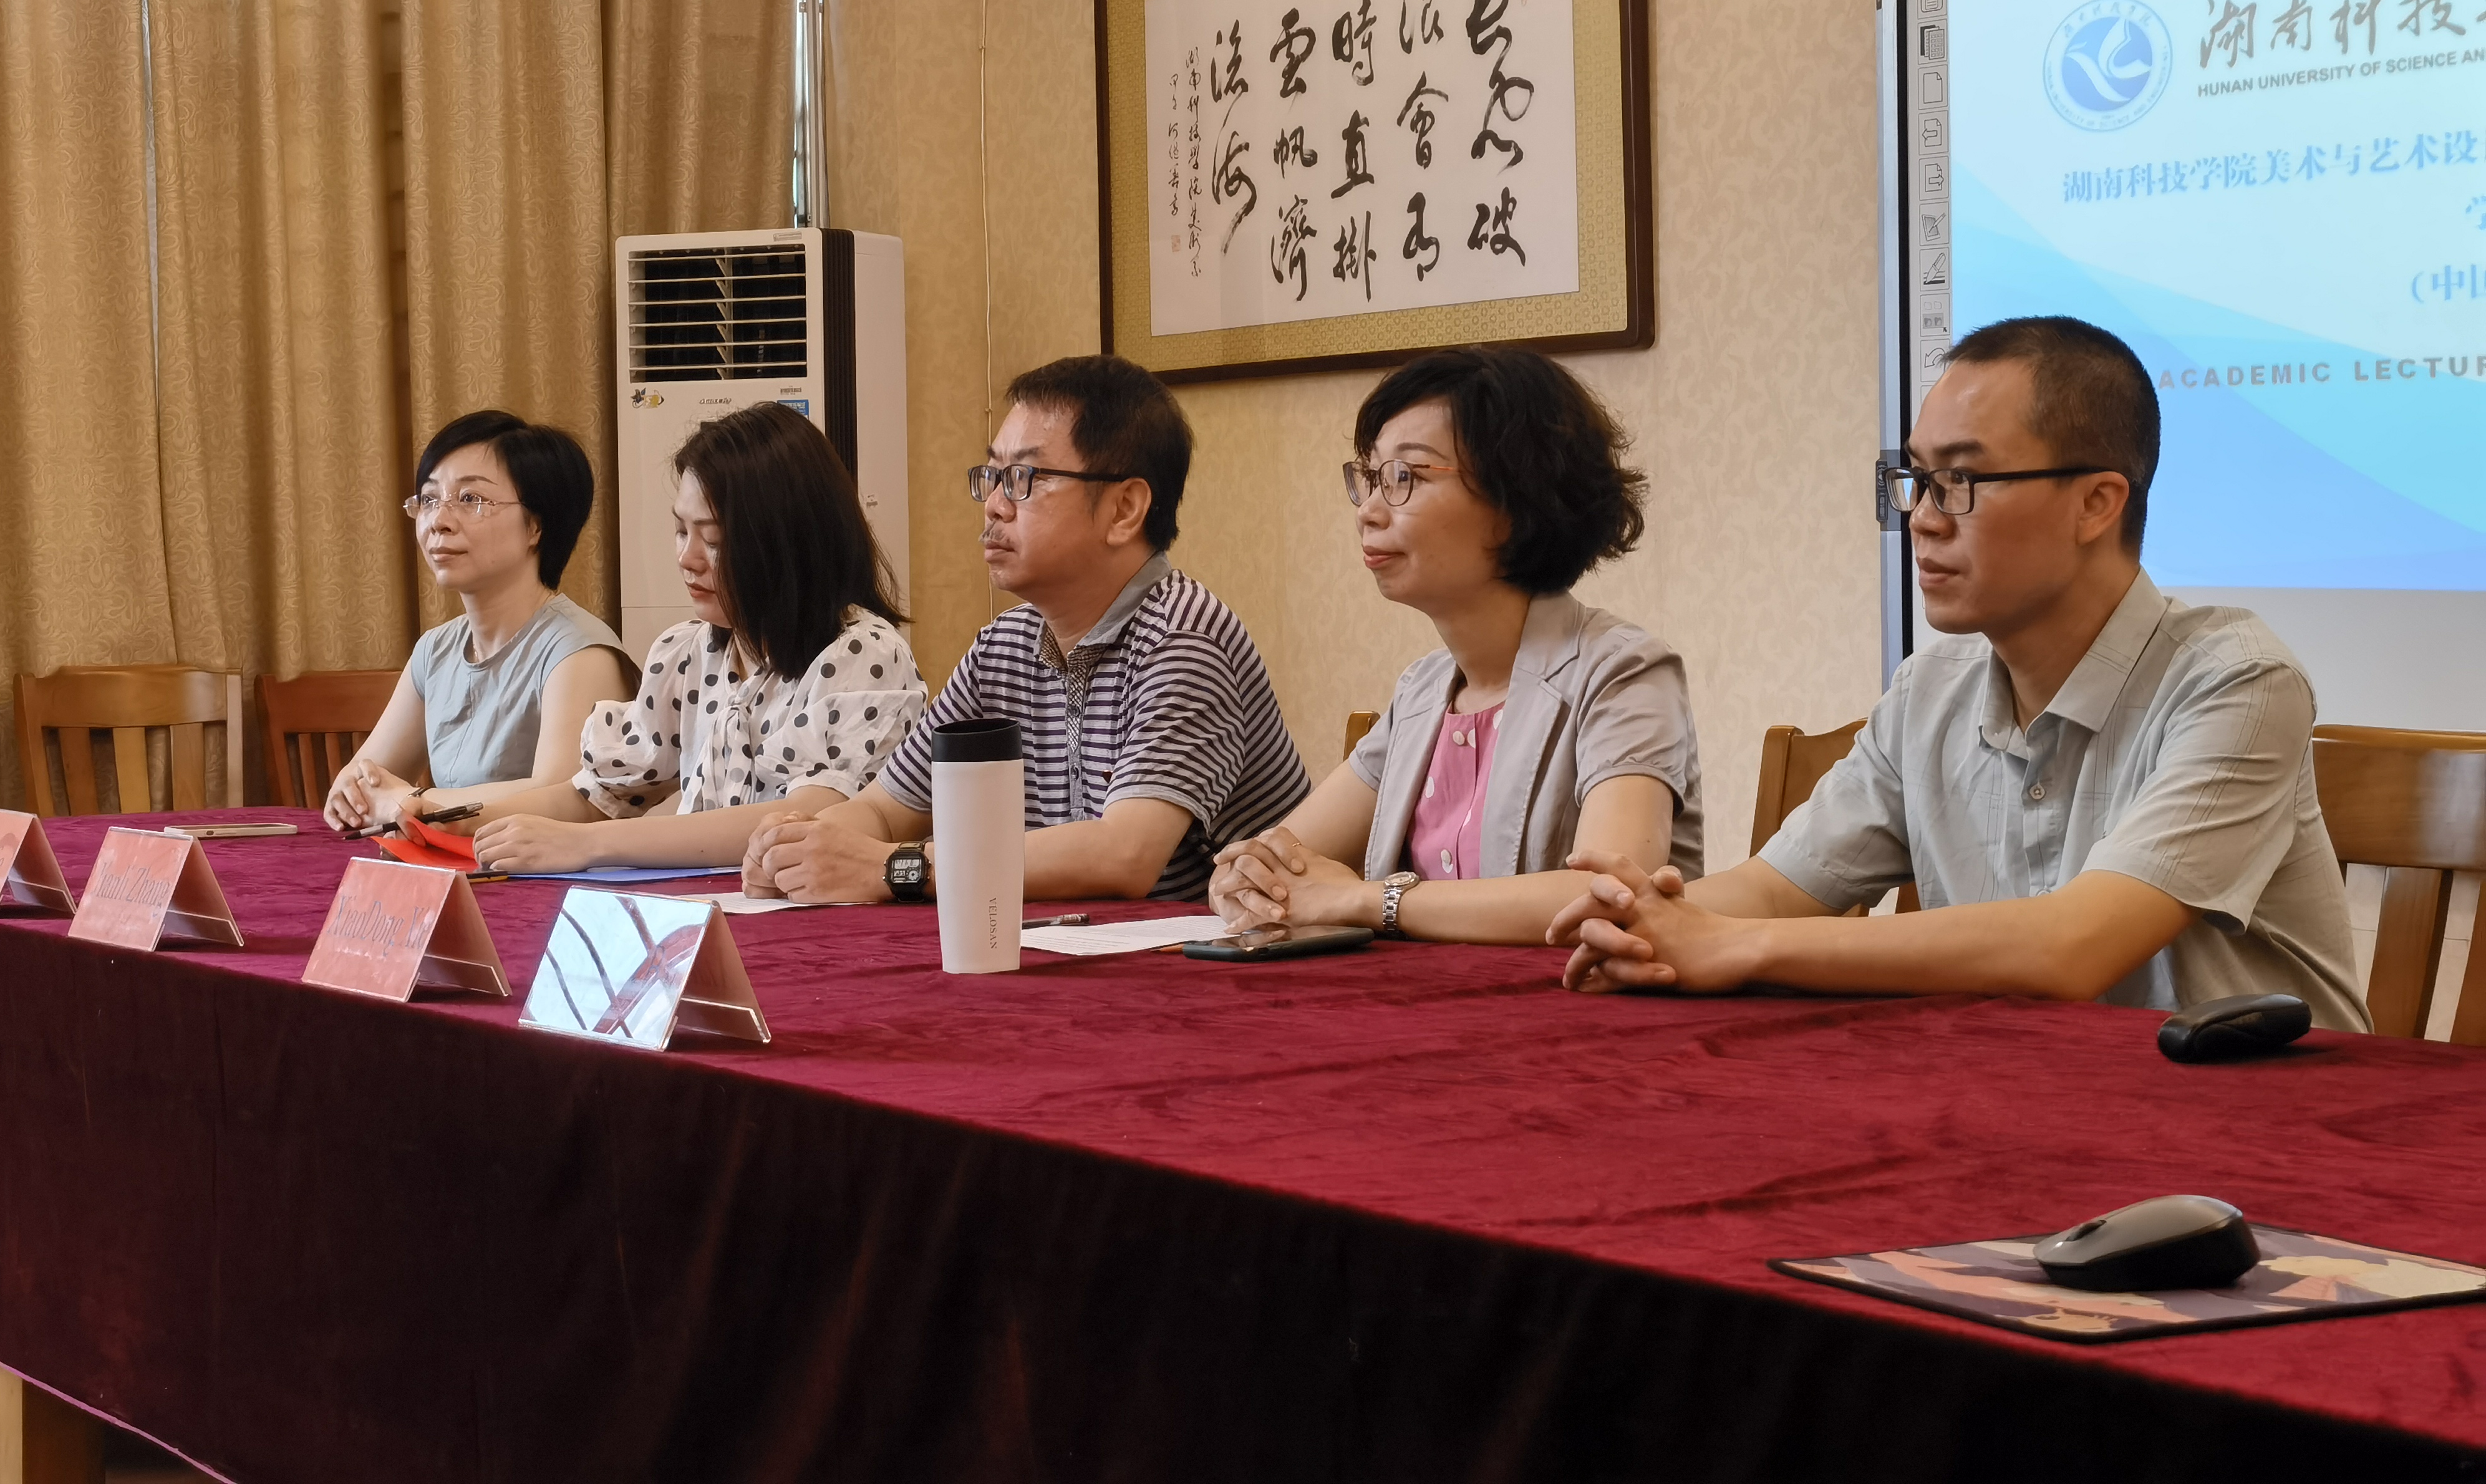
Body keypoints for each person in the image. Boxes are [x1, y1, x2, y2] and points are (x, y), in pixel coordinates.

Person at [1549, 315, 2369, 1029]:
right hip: (2029, 1100)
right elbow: (1773, 890)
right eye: (1916, 480)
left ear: (2097, 503)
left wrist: (1738, 947)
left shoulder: (2238, 681)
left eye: (1963, 481)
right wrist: (1645, 919)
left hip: (2263, 1132)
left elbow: (2073, 947)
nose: (1923, 520)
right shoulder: (1930, 689)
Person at [743, 355, 1308, 904]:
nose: (993, 506)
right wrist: (799, 849)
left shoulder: (1184, 639)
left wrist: (893, 868)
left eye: (1022, 479)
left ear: (1124, 509)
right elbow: (885, 811)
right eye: (992, 476)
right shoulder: (1003, 646)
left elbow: (1125, 855)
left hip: (1219, 955)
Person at [1207, 345, 1701, 945]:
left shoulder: (1625, 672)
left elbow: (1612, 896)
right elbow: (1274, 860)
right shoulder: (1422, 692)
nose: (1368, 512)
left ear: (1515, 501)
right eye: (1370, 479)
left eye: (1406, 478)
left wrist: (1370, 899)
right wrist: (1241, 878)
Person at [455, 402, 928, 874]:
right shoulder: (687, 653)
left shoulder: (863, 653)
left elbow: (804, 817)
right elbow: (596, 795)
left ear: (788, 543)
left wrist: (587, 844)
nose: (687, 558)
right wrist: (453, 818)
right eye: (681, 531)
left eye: (714, 540)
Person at [325, 412, 632, 831]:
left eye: (471, 499)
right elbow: (365, 783)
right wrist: (352, 794)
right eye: (429, 500)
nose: (439, 521)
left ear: (536, 526)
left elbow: (564, 798)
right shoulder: (435, 650)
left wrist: (415, 802)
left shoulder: (580, 653)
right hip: (455, 862)